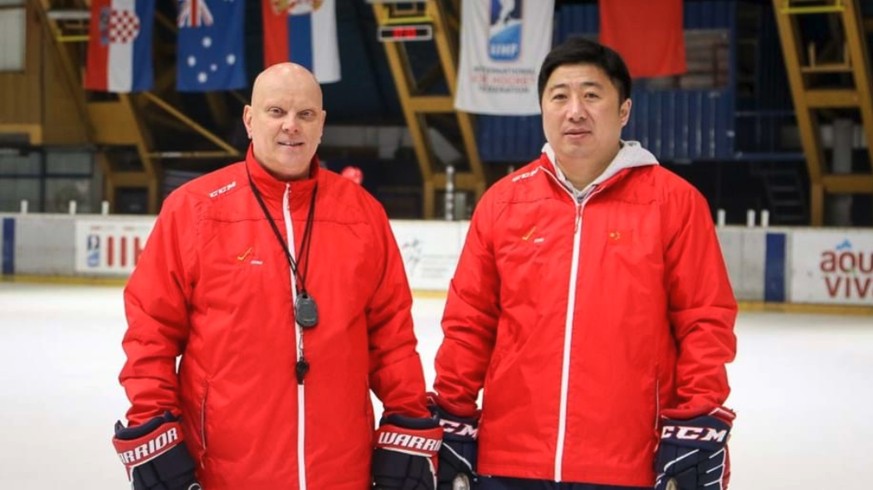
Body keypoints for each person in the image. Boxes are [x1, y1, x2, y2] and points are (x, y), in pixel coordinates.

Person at [112, 62, 442, 490]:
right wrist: (154, 428)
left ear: (322, 124)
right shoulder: (194, 209)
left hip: (340, 472)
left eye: (305, 114)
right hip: (227, 472)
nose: (291, 126)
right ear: (249, 119)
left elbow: (391, 336)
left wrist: (409, 420)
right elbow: (150, 333)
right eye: (276, 112)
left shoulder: (362, 214)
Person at [430, 37, 738, 490]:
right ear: (543, 110)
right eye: (559, 96)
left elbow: (703, 322)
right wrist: (452, 413)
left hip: (629, 463)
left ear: (624, 111)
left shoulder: (673, 203)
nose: (575, 110)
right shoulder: (503, 203)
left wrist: (695, 421)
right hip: (510, 461)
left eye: (591, 95)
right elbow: (470, 321)